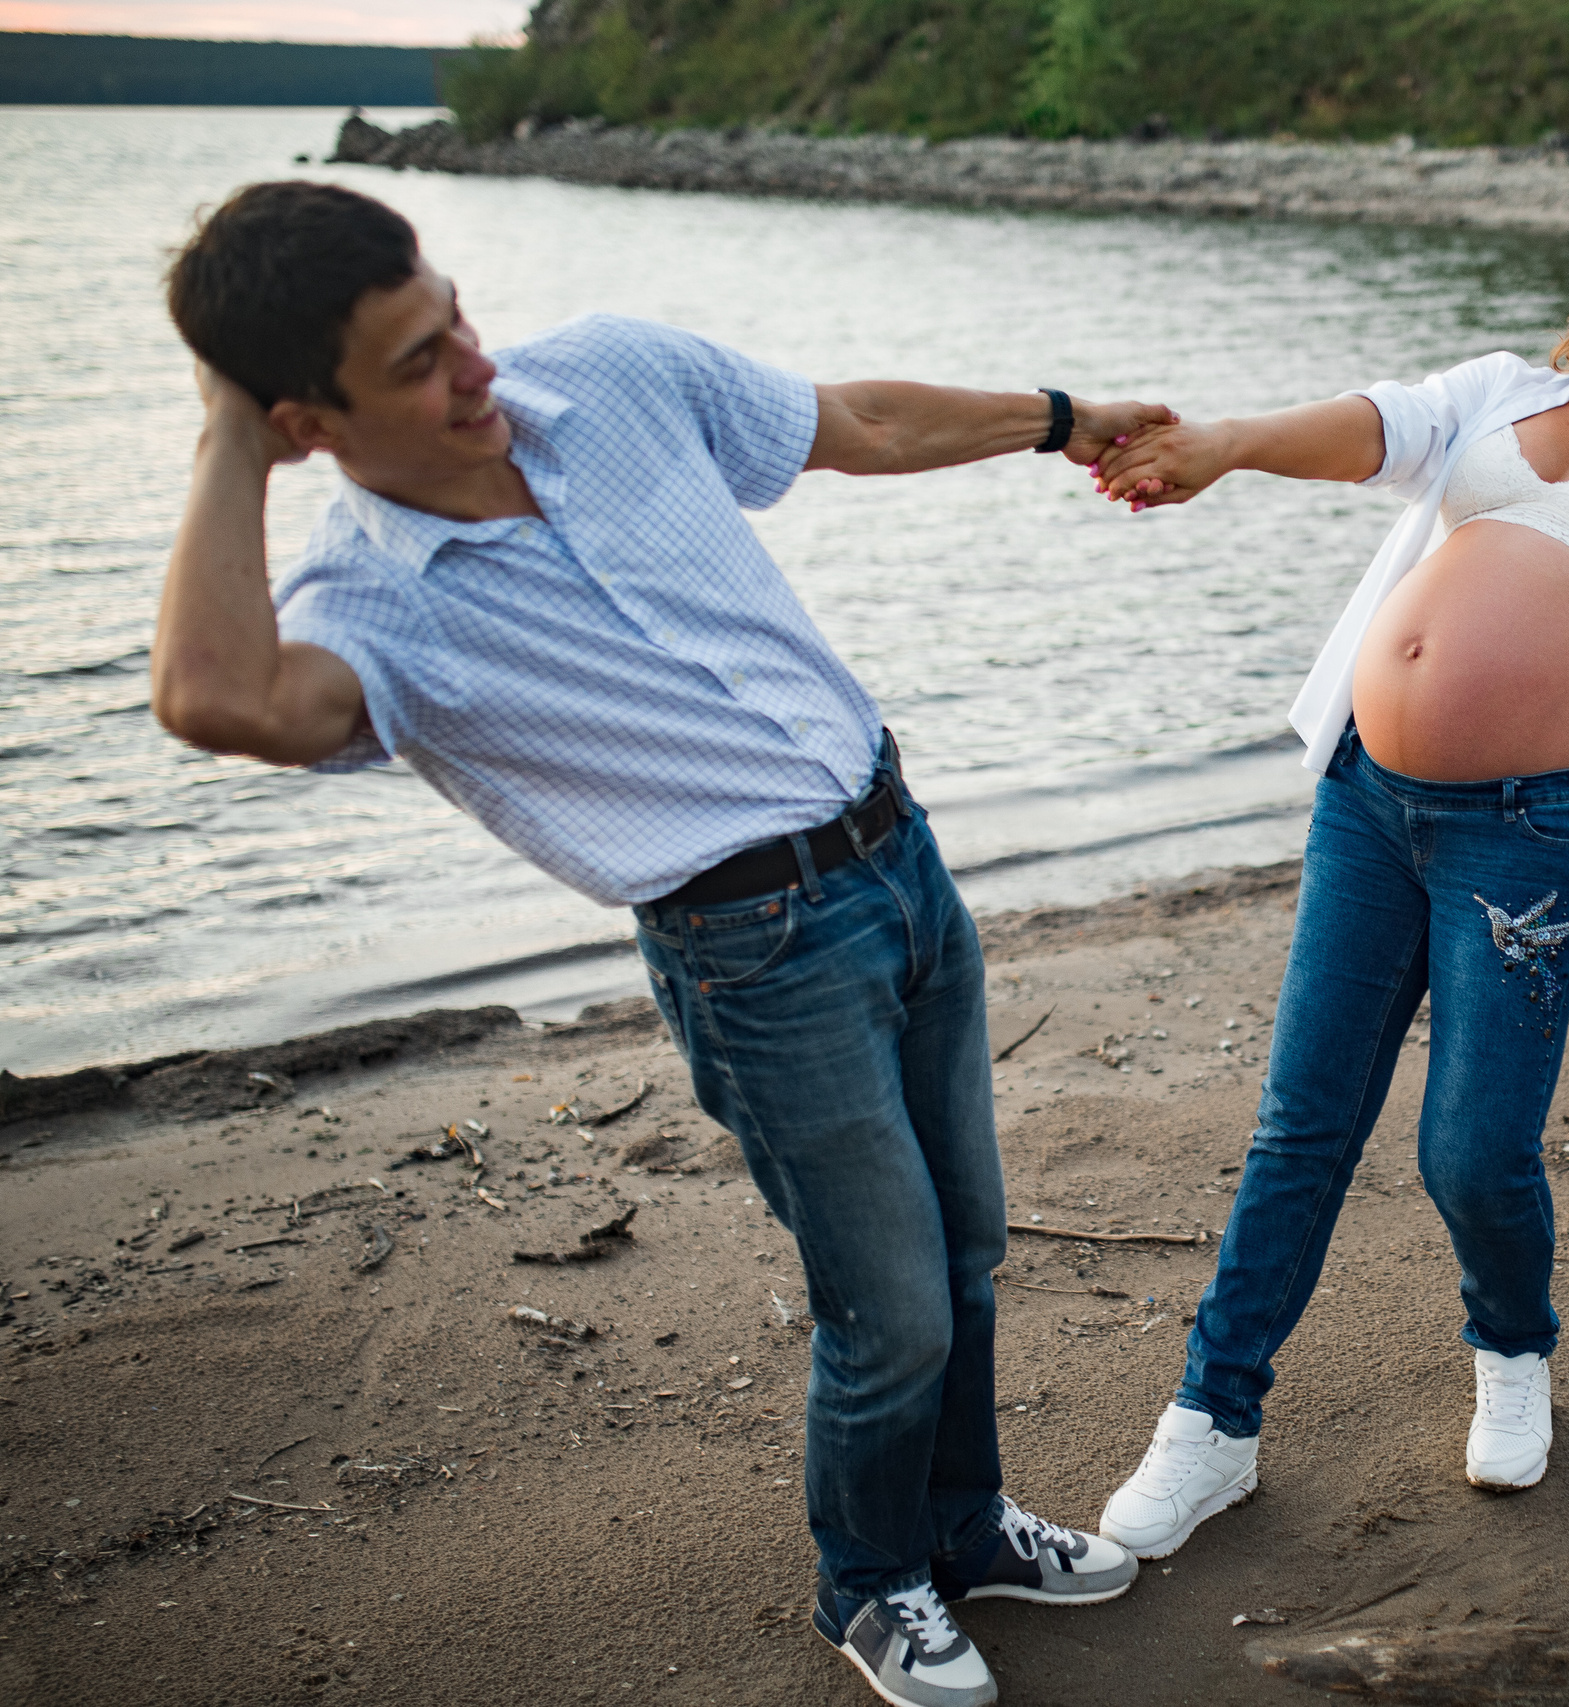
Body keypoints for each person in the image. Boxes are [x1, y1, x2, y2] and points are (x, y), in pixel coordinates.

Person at [154, 180, 1172, 1707]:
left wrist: (1066, 419)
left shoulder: (612, 375)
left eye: (455, 316)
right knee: (888, 1305)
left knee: (966, 1250)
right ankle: (872, 1583)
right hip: (755, 954)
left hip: (902, 859)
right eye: (420, 363)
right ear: (303, 422)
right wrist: (224, 433)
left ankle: (962, 1529)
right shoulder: (368, 609)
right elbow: (217, 698)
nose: (477, 367)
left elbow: (855, 421)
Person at [1081, 184, 1569, 1556]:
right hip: (1367, 802)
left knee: (1472, 1149)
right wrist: (1221, 447)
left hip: (1530, 834)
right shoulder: (1506, 391)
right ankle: (1211, 1425)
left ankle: (1513, 1349)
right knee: (1300, 1128)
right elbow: (1376, 426)